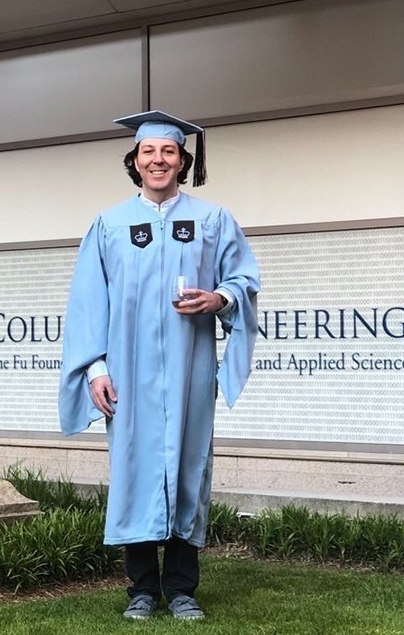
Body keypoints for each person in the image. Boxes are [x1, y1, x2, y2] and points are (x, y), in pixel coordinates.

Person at [58, 110, 260, 621]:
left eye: (168, 152)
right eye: (148, 152)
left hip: (191, 369)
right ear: (134, 161)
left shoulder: (214, 220)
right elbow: (88, 302)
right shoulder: (109, 225)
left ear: (182, 160)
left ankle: (184, 589)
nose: (158, 160)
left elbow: (244, 280)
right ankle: (142, 590)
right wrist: (96, 368)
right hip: (127, 372)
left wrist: (219, 298)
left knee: (189, 468)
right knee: (136, 469)